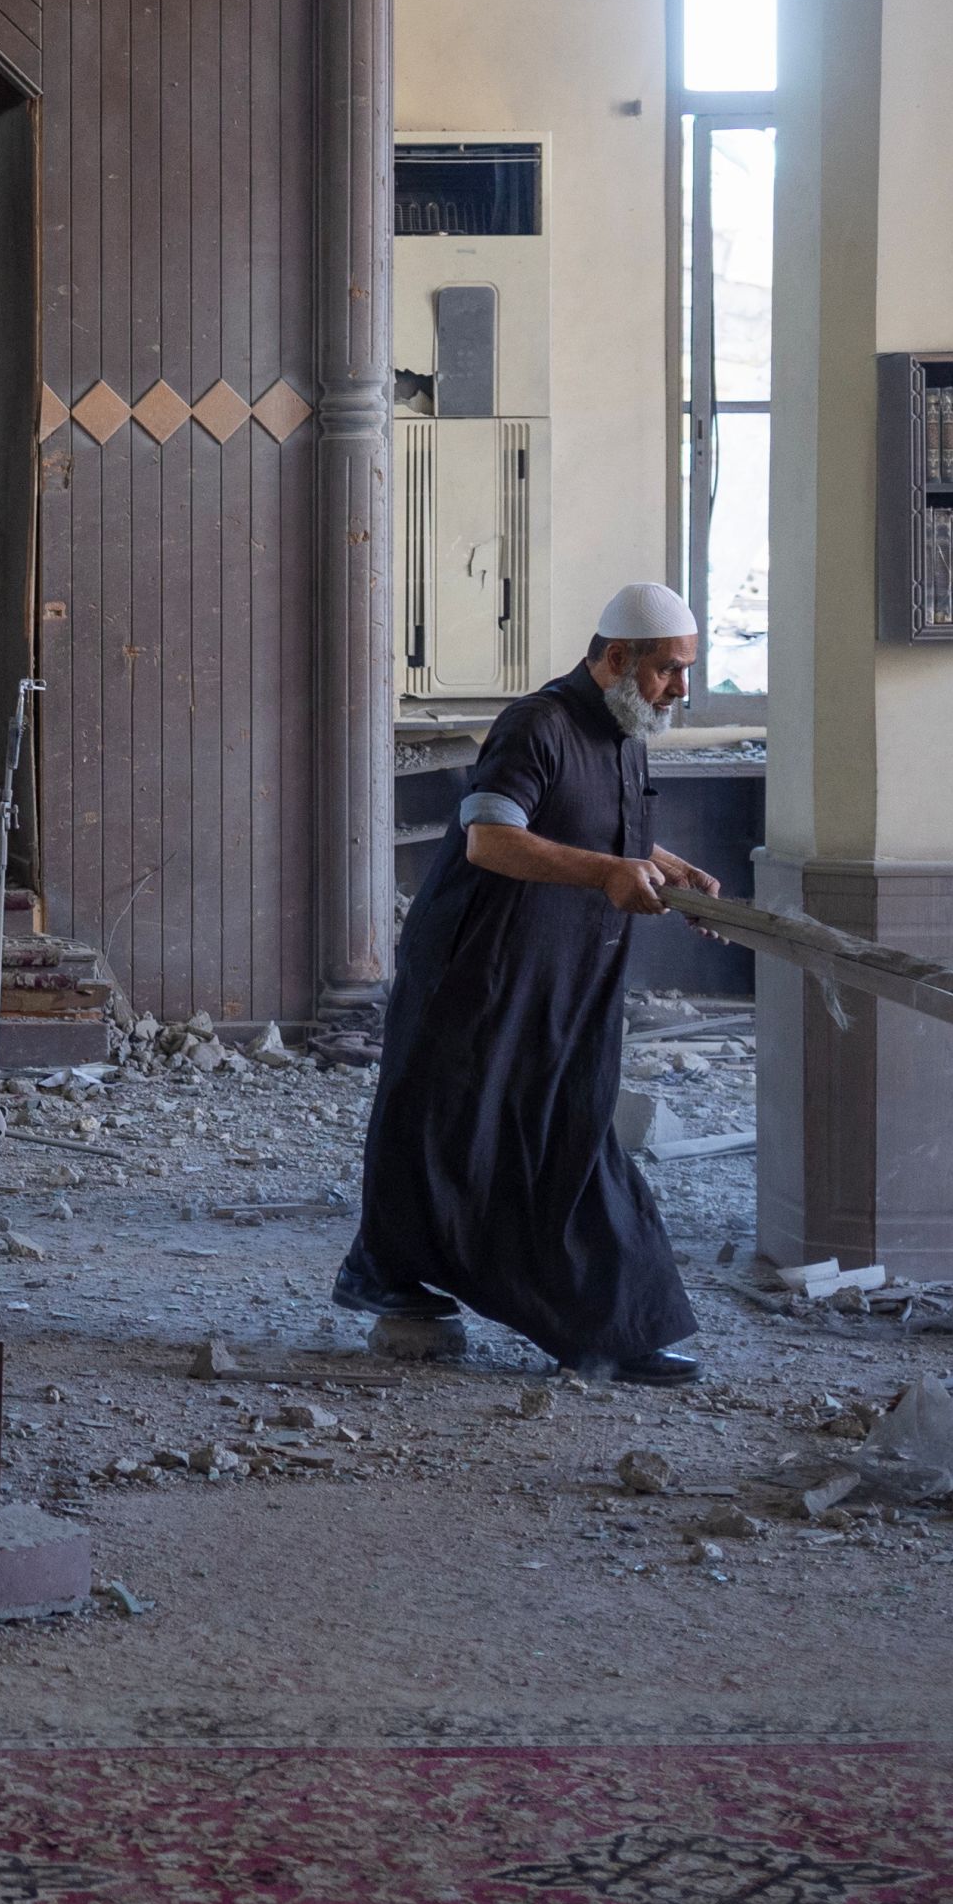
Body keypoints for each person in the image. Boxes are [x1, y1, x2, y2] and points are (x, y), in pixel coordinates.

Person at [334, 583, 717, 1383]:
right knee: (448, 1133)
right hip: (481, 972)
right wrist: (610, 872)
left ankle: (607, 1323)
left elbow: (596, 830)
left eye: (686, 671)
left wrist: (667, 869)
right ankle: (394, 1275)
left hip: (569, 975)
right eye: (668, 671)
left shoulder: (626, 732)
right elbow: (490, 839)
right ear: (618, 659)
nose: (680, 688)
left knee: (568, 1133)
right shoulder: (537, 725)